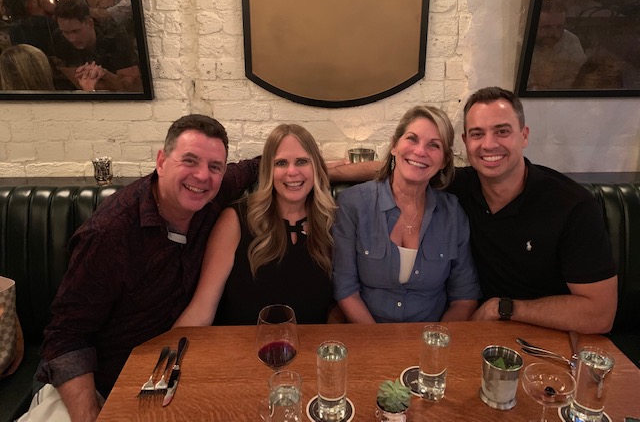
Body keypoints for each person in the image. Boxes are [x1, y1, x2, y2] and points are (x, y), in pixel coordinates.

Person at [34, 115, 261, 422]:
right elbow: (66, 336)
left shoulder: (214, 191)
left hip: (176, 369)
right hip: (106, 384)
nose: (202, 175)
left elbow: (261, 165)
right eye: (189, 161)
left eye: (215, 166)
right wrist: (92, 416)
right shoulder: (110, 232)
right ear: (161, 161)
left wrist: (324, 168)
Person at [448, 86, 618, 333]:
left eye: (502, 131)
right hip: (477, 335)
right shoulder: (455, 188)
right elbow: (406, 174)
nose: (489, 144)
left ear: (524, 136)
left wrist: (503, 308)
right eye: (477, 134)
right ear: (465, 142)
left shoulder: (572, 206)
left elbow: (600, 314)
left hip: (549, 336)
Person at [174, 124, 336, 327]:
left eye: (302, 161)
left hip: (311, 345)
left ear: (316, 167)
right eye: (281, 163)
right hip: (241, 344)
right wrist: (171, 344)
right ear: (268, 170)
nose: (292, 171)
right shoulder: (235, 219)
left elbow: (342, 299)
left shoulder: (331, 221)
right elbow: (202, 308)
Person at [332, 106, 482, 323]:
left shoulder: (452, 213)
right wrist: (377, 340)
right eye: (412, 139)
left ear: (444, 160)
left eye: (434, 145)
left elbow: (464, 296)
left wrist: (434, 340)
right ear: (394, 145)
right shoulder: (353, 203)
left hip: (431, 336)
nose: (420, 151)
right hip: (367, 332)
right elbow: (346, 288)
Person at [51, 0, 140, 91]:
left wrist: (105, 74)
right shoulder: (59, 39)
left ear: (90, 23)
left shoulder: (114, 36)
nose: (71, 39)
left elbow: (134, 87)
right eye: (65, 32)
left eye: (75, 31)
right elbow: (79, 84)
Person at [527, 0, 586, 90]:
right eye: (546, 27)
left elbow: (580, 80)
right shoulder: (521, 44)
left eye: (559, 27)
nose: (554, 34)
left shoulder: (571, 41)